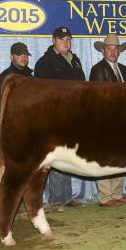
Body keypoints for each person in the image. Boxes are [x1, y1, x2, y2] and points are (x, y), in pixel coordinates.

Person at [35, 27, 86, 212]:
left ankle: (66, 197)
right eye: (62, 39)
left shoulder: (75, 60)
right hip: (54, 116)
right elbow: (41, 92)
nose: (66, 42)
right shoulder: (45, 62)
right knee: (56, 157)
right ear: (53, 40)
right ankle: (56, 199)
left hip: (73, 116)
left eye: (68, 39)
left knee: (69, 156)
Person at [89, 34, 126, 207]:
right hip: (106, 121)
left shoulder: (125, 70)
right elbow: (97, 99)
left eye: (116, 49)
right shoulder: (98, 69)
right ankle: (105, 196)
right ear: (103, 50)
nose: (113, 52)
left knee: (120, 158)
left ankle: (117, 192)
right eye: (109, 49)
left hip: (123, 121)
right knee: (105, 157)